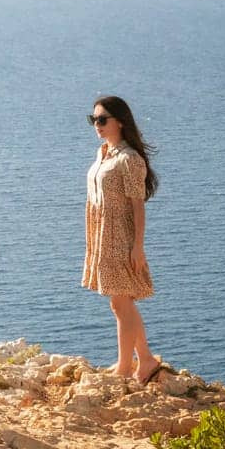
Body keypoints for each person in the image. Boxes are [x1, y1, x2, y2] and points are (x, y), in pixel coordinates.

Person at [81, 95, 166, 382]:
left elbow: (137, 205)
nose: (97, 125)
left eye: (102, 120)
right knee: (121, 302)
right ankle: (145, 360)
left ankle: (125, 366)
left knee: (120, 302)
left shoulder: (130, 159)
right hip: (103, 233)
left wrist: (137, 246)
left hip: (120, 235)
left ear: (120, 121)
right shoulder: (103, 153)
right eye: (94, 120)